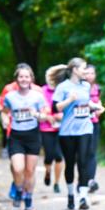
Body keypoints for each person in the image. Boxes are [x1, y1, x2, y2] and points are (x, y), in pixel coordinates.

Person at [53, 57, 104, 210]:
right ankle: (70, 194)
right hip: (67, 131)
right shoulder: (63, 87)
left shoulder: (86, 86)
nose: (86, 72)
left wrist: (95, 107)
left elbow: (85, 102)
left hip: (85, 128)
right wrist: (69, 100)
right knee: (70, 164)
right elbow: (56, 108)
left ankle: (82, 196)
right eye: (83, 68)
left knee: (83, 161)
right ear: (75, 70)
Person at [3, 65, 49, 210]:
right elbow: (4, 112)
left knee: (30, 171)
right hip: (16, 136)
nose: (24, 79)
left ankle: (28, 197)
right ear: (17, 79)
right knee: (18, 169)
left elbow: (44, 118)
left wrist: (36, 114)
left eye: (26, 77)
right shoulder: (10, 97)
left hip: (33, 136)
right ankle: (18, 189)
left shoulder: (37, 97)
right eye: (21, 77)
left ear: (31, 79)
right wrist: (4, 120)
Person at [40, 66, 65, 194]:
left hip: (62, 129)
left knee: (59, 156)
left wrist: (62, 115)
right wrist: (48, 116)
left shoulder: (63, 90)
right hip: (46, 129)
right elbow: (40, 108)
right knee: (49, 156)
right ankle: (48, 171)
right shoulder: (42, 91)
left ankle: (56, 183)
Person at [83, 63, 102, 194]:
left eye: (92, 73)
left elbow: (99, 104)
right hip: (81, 125)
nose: (89, 76)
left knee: (92, 153)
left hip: (94, 123)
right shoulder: (78, 88)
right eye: (87, 73)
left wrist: (99, 109)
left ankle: (91, 180)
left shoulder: (97, 88)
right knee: (82, 154)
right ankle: (83, 180)